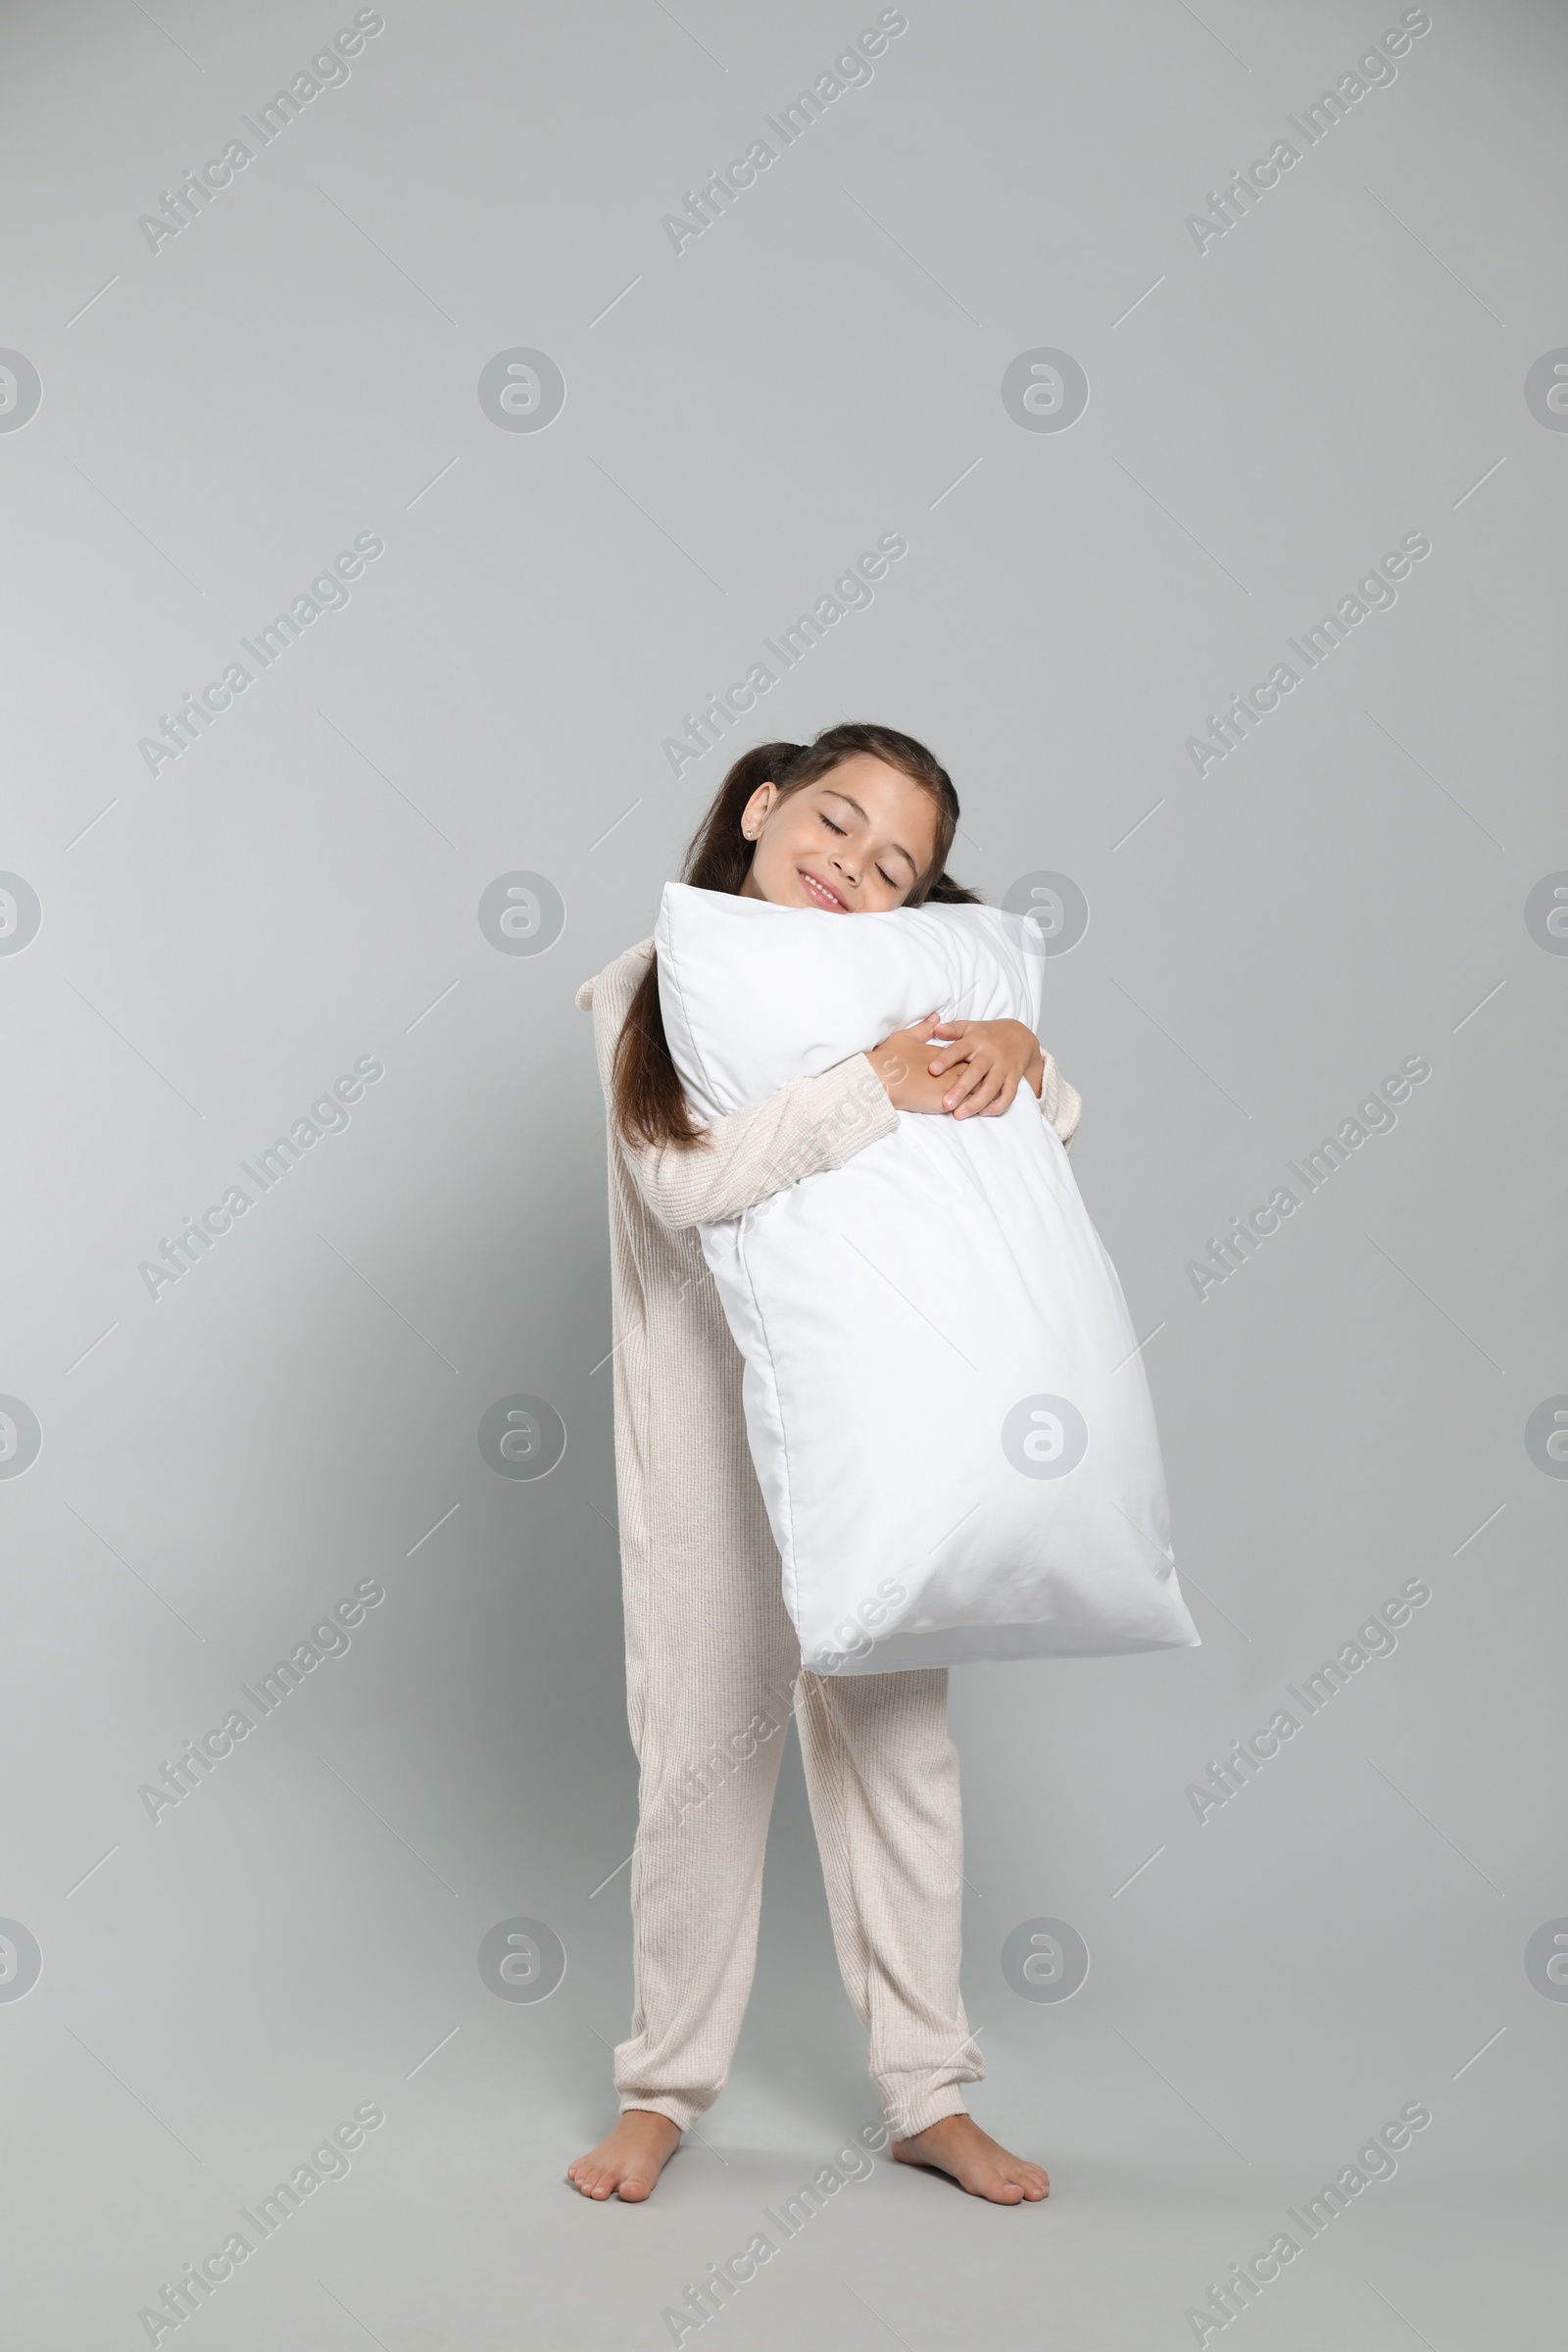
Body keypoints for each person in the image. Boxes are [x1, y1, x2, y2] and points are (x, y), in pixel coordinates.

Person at [567, 722, 1080, 2205]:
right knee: (699, 1768)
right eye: (836, 823)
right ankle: (662, 2089)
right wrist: (873, 1083)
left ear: (916, 906)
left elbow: (1045, 1138)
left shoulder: (919, 1001)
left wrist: (1020, 1053)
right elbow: (682, 1184)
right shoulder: (647, 989)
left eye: (894, 865)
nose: (849, 866)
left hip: (879, 1450)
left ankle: (928, 2094)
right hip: (708, 1468)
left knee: (900, 1761)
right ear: (763, 802)